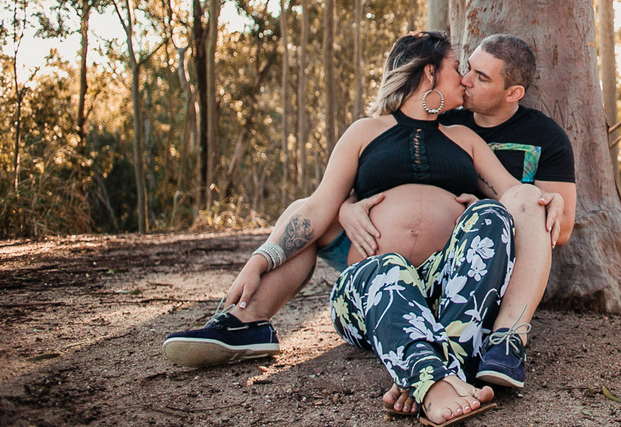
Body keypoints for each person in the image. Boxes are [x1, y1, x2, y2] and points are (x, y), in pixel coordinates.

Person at [163, 32, 563, 425]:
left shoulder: (464, 138)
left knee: (491, 213)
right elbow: (317, 207)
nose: (463, 78)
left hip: (445, 294)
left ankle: (435, 372)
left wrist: (543, 198)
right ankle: (245, 323)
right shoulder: (364, 132)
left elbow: (515, 196)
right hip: (370, 291)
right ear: (429, 72)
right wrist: (260, 259)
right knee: (384, 264)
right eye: (457, 67)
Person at [345, 34, 576, 406]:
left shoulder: (542, 136)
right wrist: (347, 206)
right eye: (465, 68)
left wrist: (532, 200)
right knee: (388, 271)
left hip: (471, 272)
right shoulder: (442, 118)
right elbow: (381, 177)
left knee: (507, 207)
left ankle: (502, 342)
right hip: (398, 271)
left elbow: (556, 228)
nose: (465, 80)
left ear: (513, 93)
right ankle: (439, 372)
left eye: (480, 77)